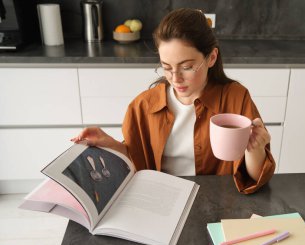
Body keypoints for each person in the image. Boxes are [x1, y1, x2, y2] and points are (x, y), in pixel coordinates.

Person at [72, 8, 275, 194]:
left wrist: (255, 148)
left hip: (218, 200)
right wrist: (109, 143)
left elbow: (256, 178)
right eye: (167, 67)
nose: (175, 78)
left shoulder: (236, 99)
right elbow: (136, 161)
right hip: (161, 200)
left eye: (186, 67)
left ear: (211, 58)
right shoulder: (143, 106)